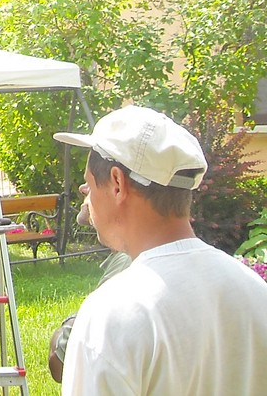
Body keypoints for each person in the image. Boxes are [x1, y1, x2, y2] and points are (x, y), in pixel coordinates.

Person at [52, 105, 267, 395]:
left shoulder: (112, 315)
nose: (87, 197)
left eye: (89, 184)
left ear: (117, 183)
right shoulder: (255, 291)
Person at [45, 181, 131, 384]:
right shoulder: (129, 256)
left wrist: (70, 322)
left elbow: (60, 364)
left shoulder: (127, 262)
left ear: (117, 186)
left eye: (90, 180)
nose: (82, 189)